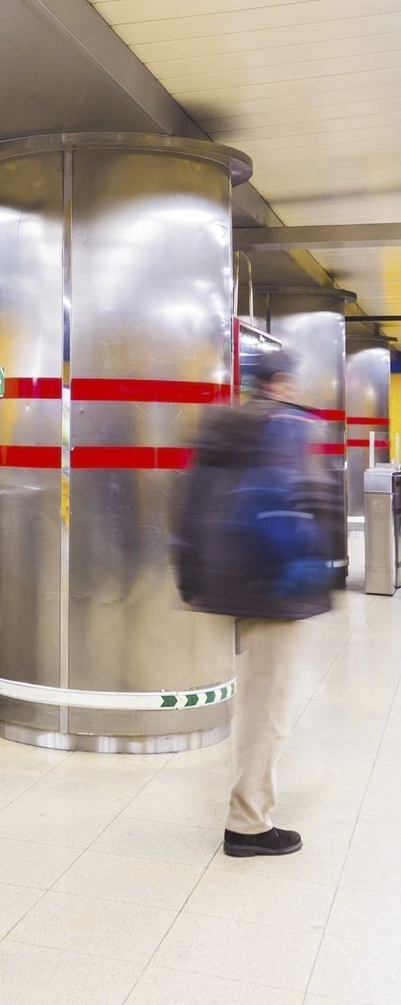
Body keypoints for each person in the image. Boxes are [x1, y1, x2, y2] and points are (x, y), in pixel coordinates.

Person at [174, 348, 340, 857]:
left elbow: (188, 502)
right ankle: (248, 824)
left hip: (225, 582)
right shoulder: (289, 427)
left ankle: (248, 807)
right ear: (281, 381)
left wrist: (192, 576)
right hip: (273, 585)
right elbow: (308, 504)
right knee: (265, 707)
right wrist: (322, 574)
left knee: (253, 699)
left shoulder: (220, 423)